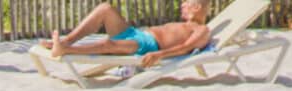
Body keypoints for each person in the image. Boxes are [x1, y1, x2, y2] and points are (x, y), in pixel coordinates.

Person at [49, 0, 212, 65]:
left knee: (108, 44)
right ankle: (66, 42)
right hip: (136, 34)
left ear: (196, 7)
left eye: (186, 3)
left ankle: (65, 50)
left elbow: (184, 48)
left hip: (147, 45)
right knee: (105, 8)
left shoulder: (201, 30)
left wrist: (159, 55)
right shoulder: (184, 24)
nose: (182, 5)